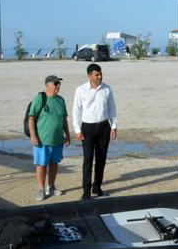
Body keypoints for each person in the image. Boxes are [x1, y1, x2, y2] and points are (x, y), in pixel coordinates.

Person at [72, 64, 117, 200]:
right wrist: (77, 130)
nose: (99, 77)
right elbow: (76, 111)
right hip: (88, 128)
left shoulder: (107, 89)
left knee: (101, 159)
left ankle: (97, 187)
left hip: (104, 127)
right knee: (88, 159)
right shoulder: (81, 90)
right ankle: (86, 191)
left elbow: (112, 109)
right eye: (96, 75)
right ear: (89, 75)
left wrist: (114, 126)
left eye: (100, 74)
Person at [28, 75, 70, 201]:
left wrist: (67, 134)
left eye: (59, 84)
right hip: (42, 140)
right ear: (47, 85)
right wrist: (33, 136)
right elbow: (31, 118)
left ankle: (51, 186)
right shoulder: (40, 98)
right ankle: (41, 189)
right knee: (41, 164)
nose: (58, 86)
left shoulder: (61, 100)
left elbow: (64, 119)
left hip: (57, 139)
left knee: (54, 163)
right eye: (56, 83)